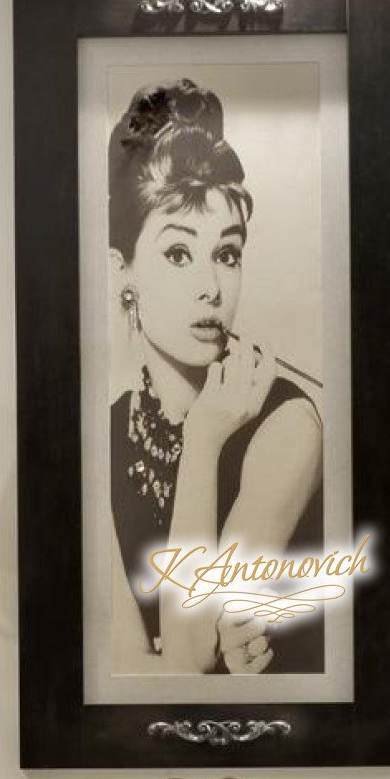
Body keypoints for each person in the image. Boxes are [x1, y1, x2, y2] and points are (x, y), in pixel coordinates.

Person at [107, 78, 324, 675]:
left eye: (226, 254)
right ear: (123, 273)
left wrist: (202, 440)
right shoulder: (106, 434)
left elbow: (185, 657)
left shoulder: (289, 424)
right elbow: (120, 663)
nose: (211, 287)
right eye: (178, 254)